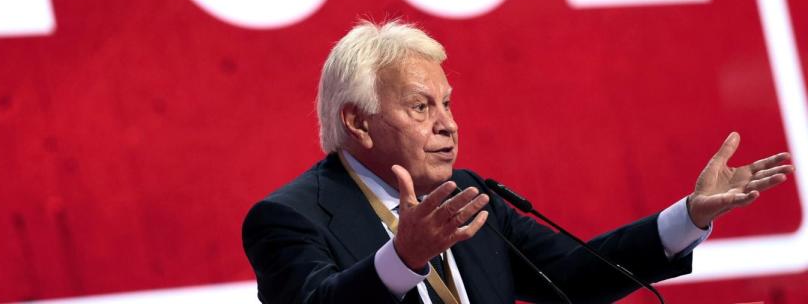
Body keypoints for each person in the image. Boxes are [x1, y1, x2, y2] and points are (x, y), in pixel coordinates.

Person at [242, 21, 795, 303]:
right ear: (357, 122)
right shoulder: (289, 219)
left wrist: (690, 217)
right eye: (420, 107)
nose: (448, 124)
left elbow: (574, 277)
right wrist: (401, 259)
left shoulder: (468, 195)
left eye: (447, 104)